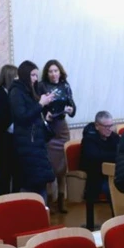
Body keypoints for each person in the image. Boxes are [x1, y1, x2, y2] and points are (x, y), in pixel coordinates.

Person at [8, 60, 56, 200]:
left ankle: (42, 213)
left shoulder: (29, 90)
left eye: (36, 75)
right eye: (33, 75)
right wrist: (41, 104)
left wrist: (44, 112)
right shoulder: (16, 92)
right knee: (30, 184)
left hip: (34, 143)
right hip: (27, 144)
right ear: (25, 75)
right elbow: (22, 116)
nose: (36, 79)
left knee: (39, 183)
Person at [38, 60, 77, 213]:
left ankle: (62, 200)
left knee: (62, 166)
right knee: (50, 166)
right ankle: (50, 201)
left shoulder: (65, 85)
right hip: (48, 128)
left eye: (56, 71)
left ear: (60, 72)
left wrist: (69, 110)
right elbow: (38, 107)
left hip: (62, 128)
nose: (54, 74)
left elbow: (74, 109)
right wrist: (44, 115)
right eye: (50, 71)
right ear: (47, 73)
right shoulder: (42, 86)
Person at [79, 111, 120, 230]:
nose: (109, 129)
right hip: (93, 176)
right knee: (110, 189)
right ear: (97, 126)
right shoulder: (89, 139)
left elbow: (120, 151)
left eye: (111, 126)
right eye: (106, 126)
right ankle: (113, 222)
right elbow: (95, 157)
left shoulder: (113, 136)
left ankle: (119, 221)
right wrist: (113, 156)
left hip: (110, 173)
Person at [0, 65, 18, 195]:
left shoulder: (16, 93)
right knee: (4, 174)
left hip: (16, 140)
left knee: (18, 175)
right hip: (4, 141)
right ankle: (2, 203)